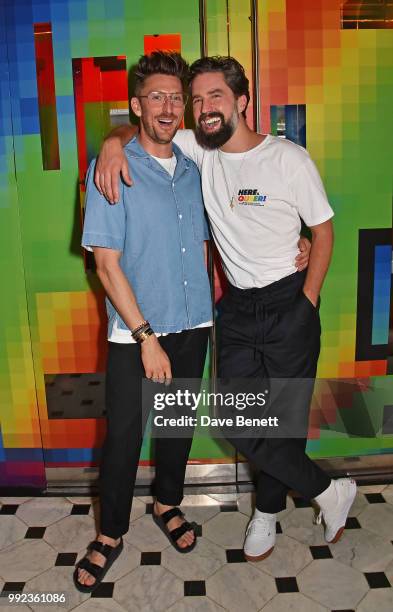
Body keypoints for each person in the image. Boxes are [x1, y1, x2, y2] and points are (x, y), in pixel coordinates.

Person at [95, 55, 356, 564]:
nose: (201, 107)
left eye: (214, 96)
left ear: (242, 100)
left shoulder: (288, 158)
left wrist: (307, 299)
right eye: (196, 100)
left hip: (289, 300)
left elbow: (322, 231)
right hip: (234, 308)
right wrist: (109, 143)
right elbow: (147, 124)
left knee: (284, 421)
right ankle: (328, 490)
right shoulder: (198, 148)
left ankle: (267, 512)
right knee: (238, 421)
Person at [74, 52, 214, 593]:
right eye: (156, 96)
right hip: (137, 333)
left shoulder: (193, 167)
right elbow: (105, 263)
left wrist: (294, 238)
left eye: (176, 97)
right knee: (125, 438)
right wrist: (145, 337)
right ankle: (110, 533)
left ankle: (167, 503)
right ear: (135, 106)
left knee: (176, 428)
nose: (169, 106)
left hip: (193, 323)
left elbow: (237, 212)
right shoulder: (113, 165)